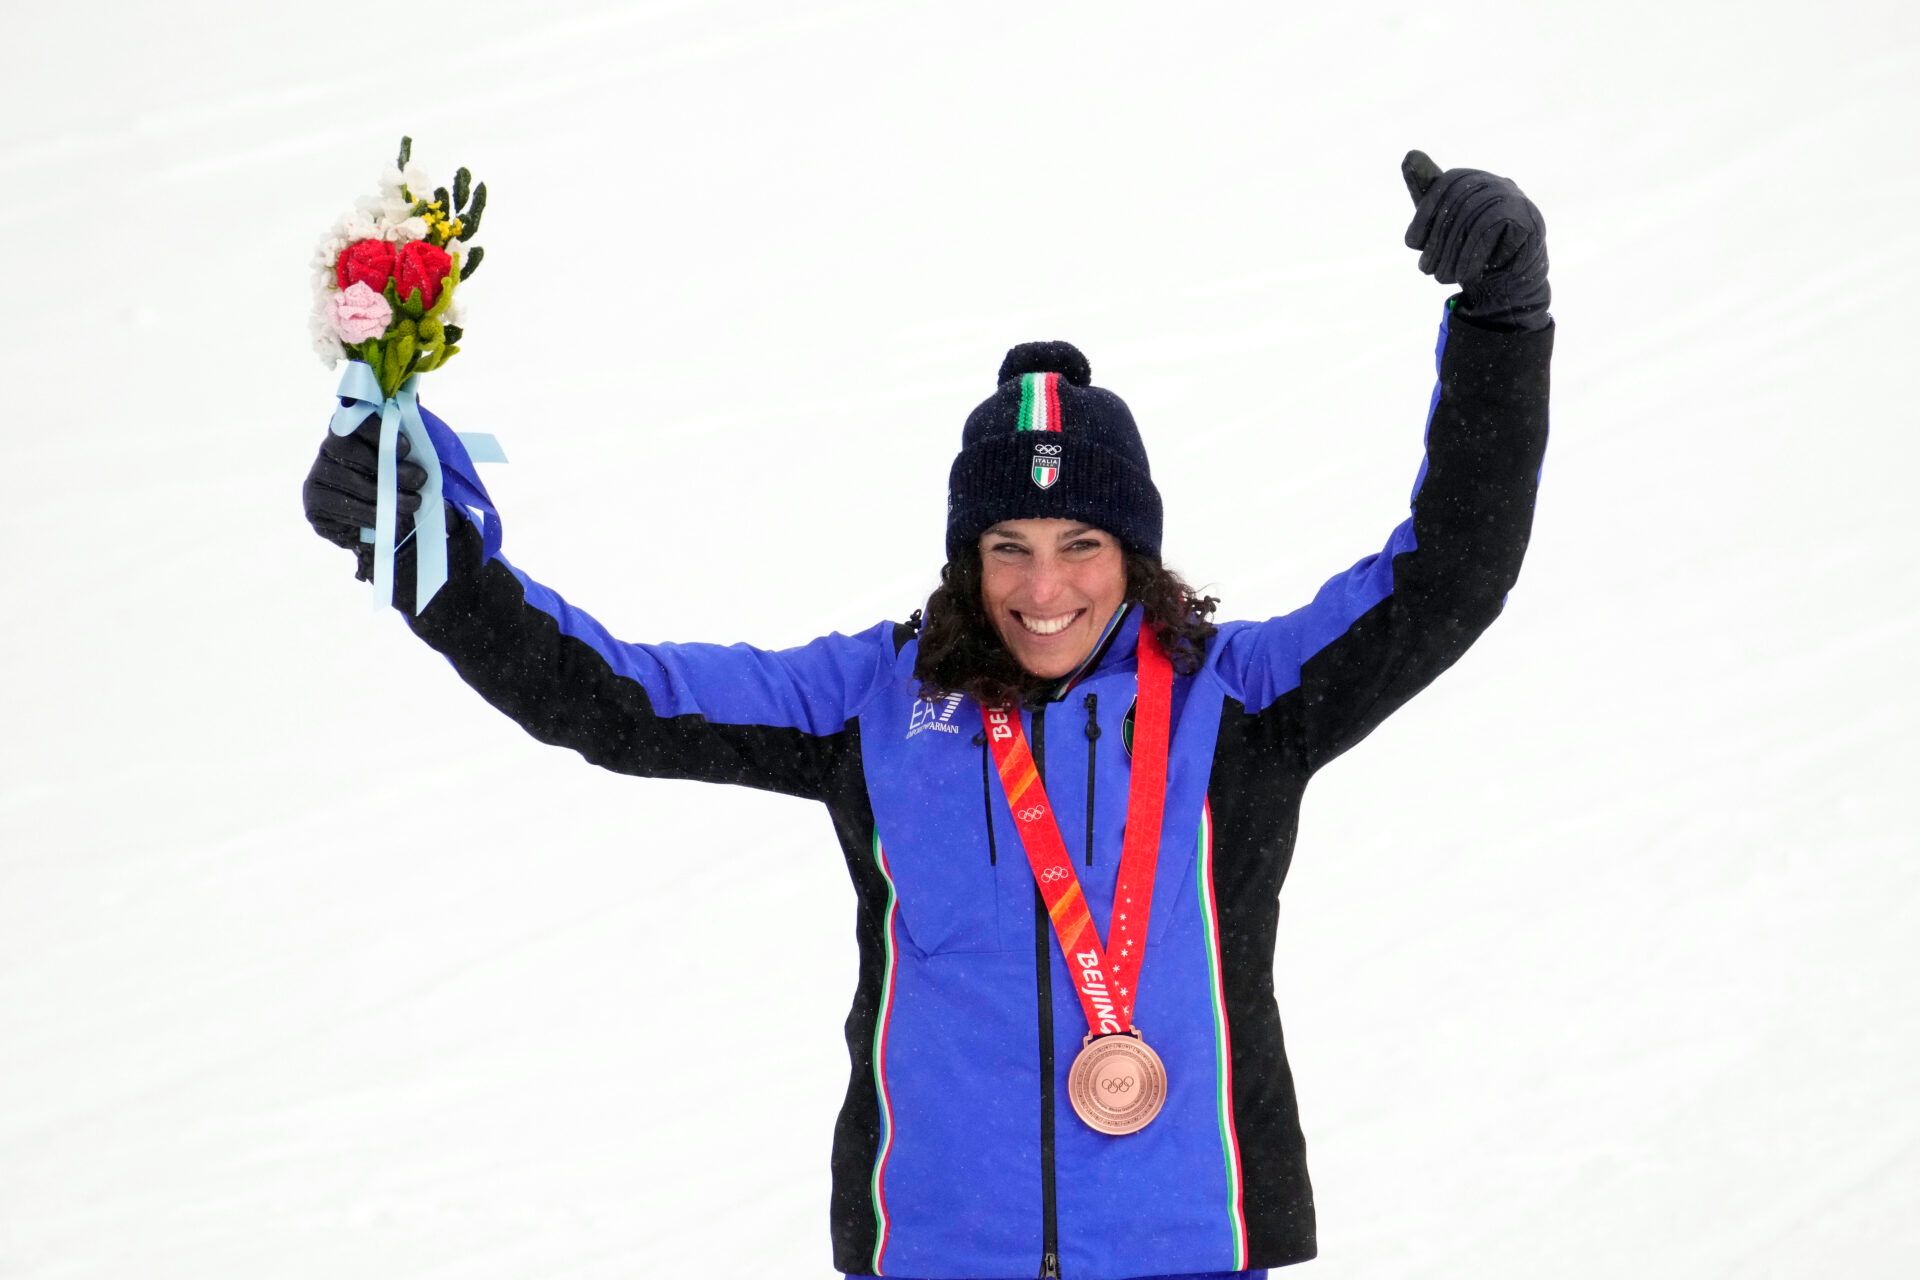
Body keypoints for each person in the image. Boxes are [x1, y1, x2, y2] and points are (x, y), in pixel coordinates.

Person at [302, 150, 1554, 1280]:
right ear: (966, 557)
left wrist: (1502, 321)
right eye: (1008, 546)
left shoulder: (1236, 698)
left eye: (1081, 543)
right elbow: (617, 700)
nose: (1044, 590)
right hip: (937, 1249)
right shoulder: (872, 703)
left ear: (1135, 553)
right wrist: (432, 565)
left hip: (1191, 1240)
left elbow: (1448, 577)